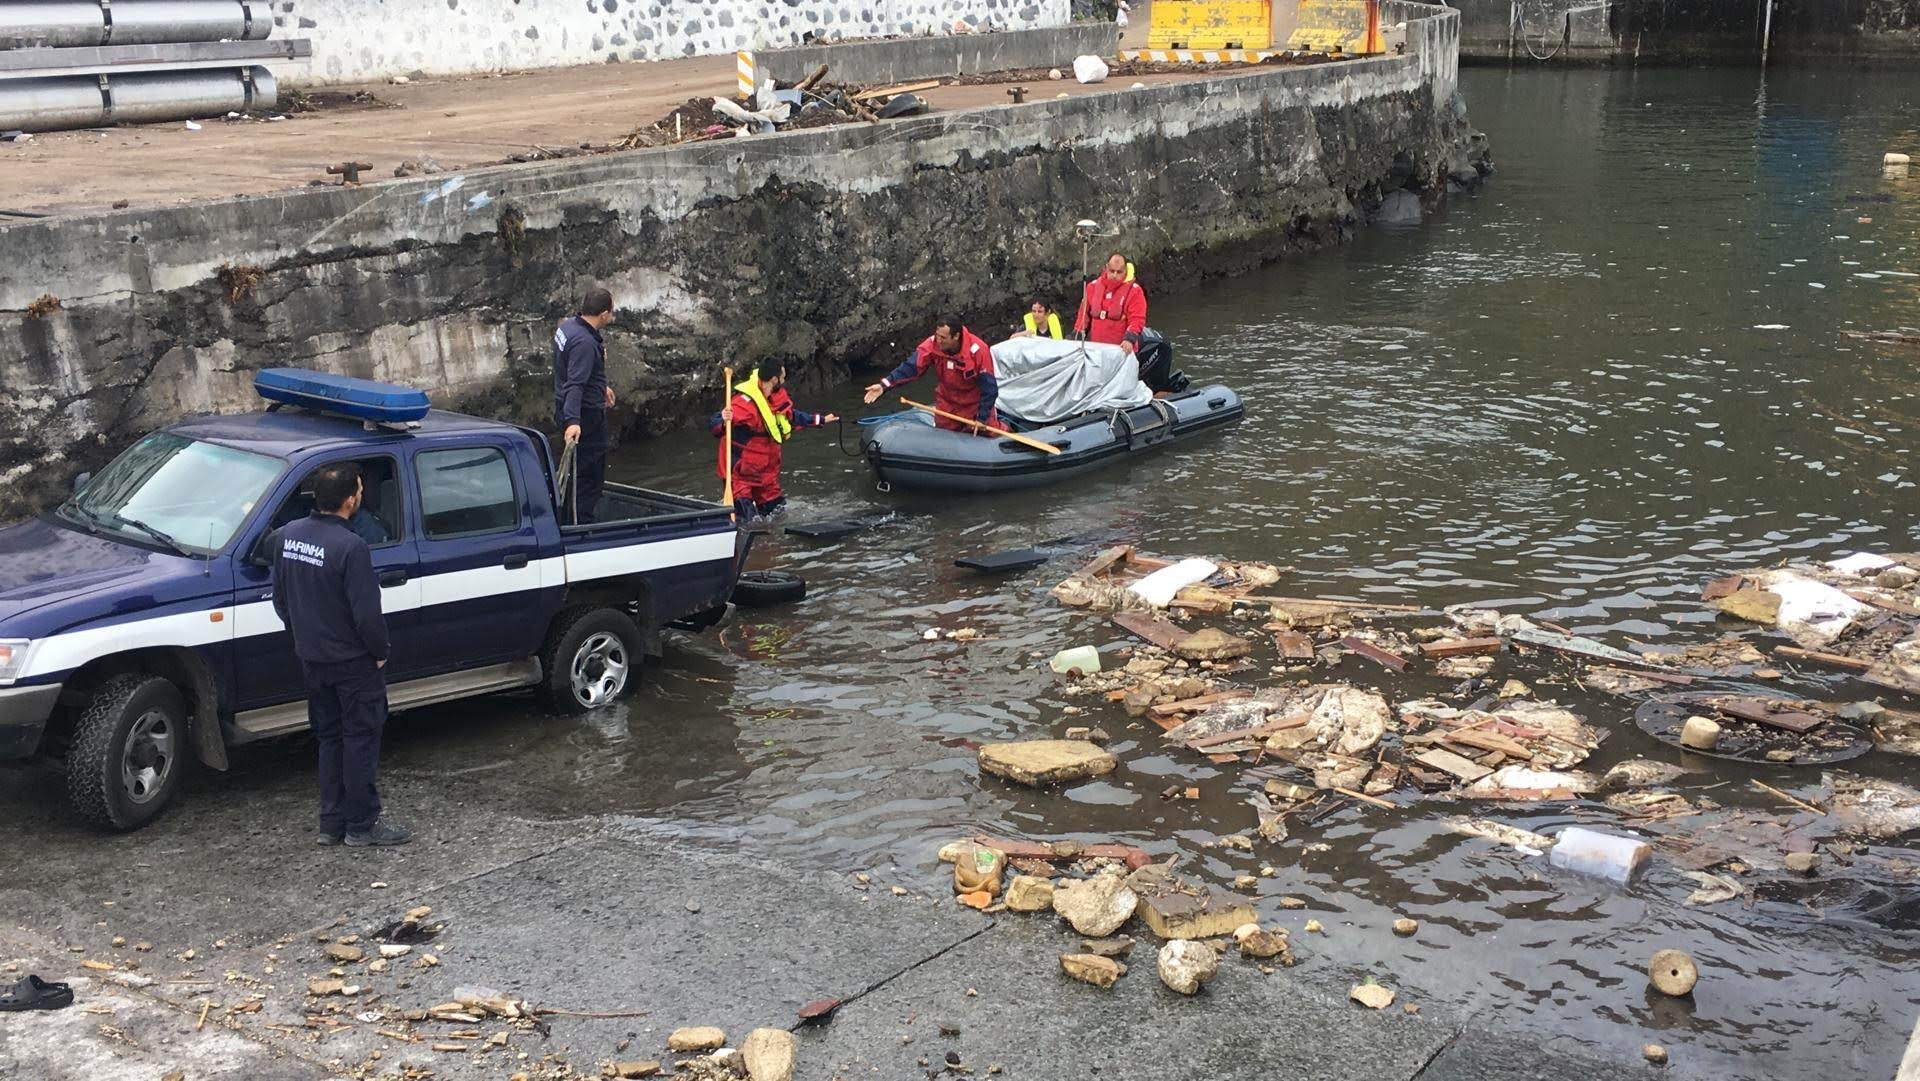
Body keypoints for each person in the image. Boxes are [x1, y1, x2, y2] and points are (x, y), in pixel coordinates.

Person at [270, 463, 409, 848]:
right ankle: (362, 825)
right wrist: (379, 653)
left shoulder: (288, 536)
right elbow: (367, 614)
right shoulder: (352, 547)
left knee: (330, 738)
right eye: (360, 490)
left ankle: (331, 824)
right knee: (360, 739)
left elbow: (281, 600)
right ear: (351, 500)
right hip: (353, 664)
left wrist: (303, 637)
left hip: (312, 660)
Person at [712, 365, 837, 520]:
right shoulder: (743, 404)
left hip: (766, 471)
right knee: (746, 522)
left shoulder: (775, 397)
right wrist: (724, 421)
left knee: (778, 514)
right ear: (774, 379)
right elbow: (716, 425)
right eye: (782, 377)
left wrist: (821, 420)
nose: (784, 381)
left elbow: (791, 417)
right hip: (741, 472)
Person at [861, 315, 998, 434]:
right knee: (942, 439)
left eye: (943, 338)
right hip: (947, 405)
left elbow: (990, 388)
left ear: (956, 336)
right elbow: (911, 367)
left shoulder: (978, 351)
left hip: (973, 405)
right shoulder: (932, 345)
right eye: (937, 336)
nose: (938, 341)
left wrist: (982, 417)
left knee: (989, 433)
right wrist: (884, 385)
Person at [553, 287, 617, 523]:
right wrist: (573, 421)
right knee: (589, 475)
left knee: (578, 472)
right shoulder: (585, 343)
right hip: (585, 415)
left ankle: (574, 515)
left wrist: (601, 387)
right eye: (611, 312)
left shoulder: (568, 326)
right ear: (603, 314)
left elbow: (569, 368)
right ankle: (581, 524)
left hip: (566, 403)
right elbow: (575, 383)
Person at [1074, 252, 1147, 354]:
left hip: (1121, 352)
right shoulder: (1092, 287)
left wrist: (1129, 339)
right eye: (1112, 271)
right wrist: (1076, 337)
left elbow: (1137, 319)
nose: (1114, 275)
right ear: (1106, 268)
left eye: (1119, 272)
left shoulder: (1135, 291)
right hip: (1096, 351)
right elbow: (1083, 316)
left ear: (1125, 270)